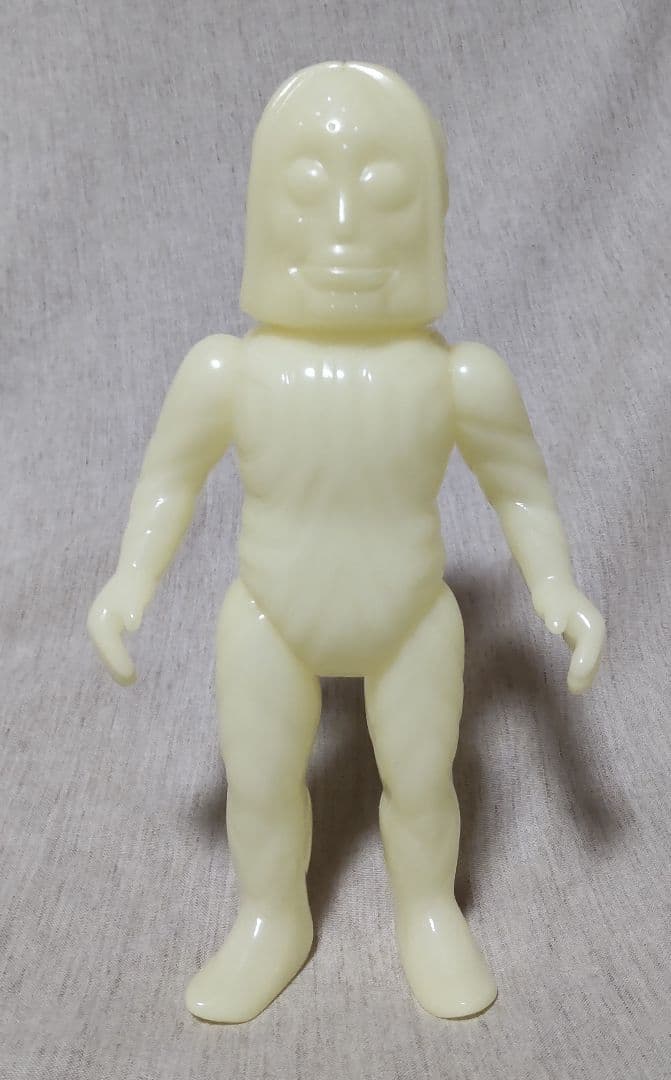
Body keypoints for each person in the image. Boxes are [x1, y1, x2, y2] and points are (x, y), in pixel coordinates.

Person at [88, 62, 605, 1023]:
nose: (341, 226)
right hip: (268, 612)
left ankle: (428, 913)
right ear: (259, 211)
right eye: (304, 189)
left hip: (409, 616)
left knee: (422, 781)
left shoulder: (459, 377)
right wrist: (129, 580)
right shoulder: (226, 371)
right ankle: (269, 916)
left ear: (432, 218)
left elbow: (520, 491)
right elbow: (168, 481)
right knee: (259, 782)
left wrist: (556, 589)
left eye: (384, 193)